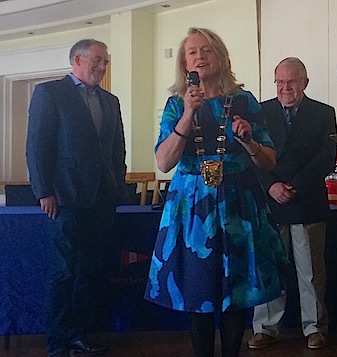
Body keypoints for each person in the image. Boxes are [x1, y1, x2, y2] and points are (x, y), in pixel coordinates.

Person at [143, 27, 287, 357]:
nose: (200, 56)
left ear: (220, 56)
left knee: (237, 290)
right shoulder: (176, 105)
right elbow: (164, 161)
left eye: (206, 50)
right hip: (192, 207)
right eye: (192, 52)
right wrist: (189, 113)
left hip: (238, 202)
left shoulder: (245, 101)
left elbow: (268, 161)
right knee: (199, 290)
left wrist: (249, 140)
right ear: (184, 63)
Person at [26, 39, 127, 357]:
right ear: (78, 60)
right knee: (64, 272)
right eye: (97, 59)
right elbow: (37, 145)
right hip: (66, 199)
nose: (102, 66)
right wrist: (44, 191)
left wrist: (117, 187)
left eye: (106, 62)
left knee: (90, 272)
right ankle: (57, 343)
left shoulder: (111, 101)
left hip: (102, 200)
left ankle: (78, 335)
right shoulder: (50, 92)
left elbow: (116, 151)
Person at [248, 57, 337, 350]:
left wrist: (295, 186)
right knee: (269, 268)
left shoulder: (324, 113)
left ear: (305, 83)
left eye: (292, 82)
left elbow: (326, 157)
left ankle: (315, 327)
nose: (285, 88)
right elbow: (252, 156)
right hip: (270, 201)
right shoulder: (259, 111)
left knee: (311, 271)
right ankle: (265, 327)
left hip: (307, 200)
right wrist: (271, 185)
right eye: (280, 82)